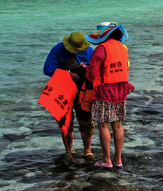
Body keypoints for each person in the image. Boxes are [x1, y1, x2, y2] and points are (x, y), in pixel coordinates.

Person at [85, 23, 135, 168]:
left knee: (103, 126)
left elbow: (92, 72)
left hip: (104, 90)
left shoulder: (101, 48)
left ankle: (106, 160)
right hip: (121, 89)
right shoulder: (123, 48)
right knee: (118, 126)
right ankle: (118, 159)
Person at [43, 31, 95, 161]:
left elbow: (95, 67)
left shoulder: (89, 51)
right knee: (65, 121)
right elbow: (47, 68)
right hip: (62, 89)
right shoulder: (58, 49)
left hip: (83, 90)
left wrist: (86, 67)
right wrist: (67, 74)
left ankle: (87, 151)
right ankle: (69, 150)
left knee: (86, 120)